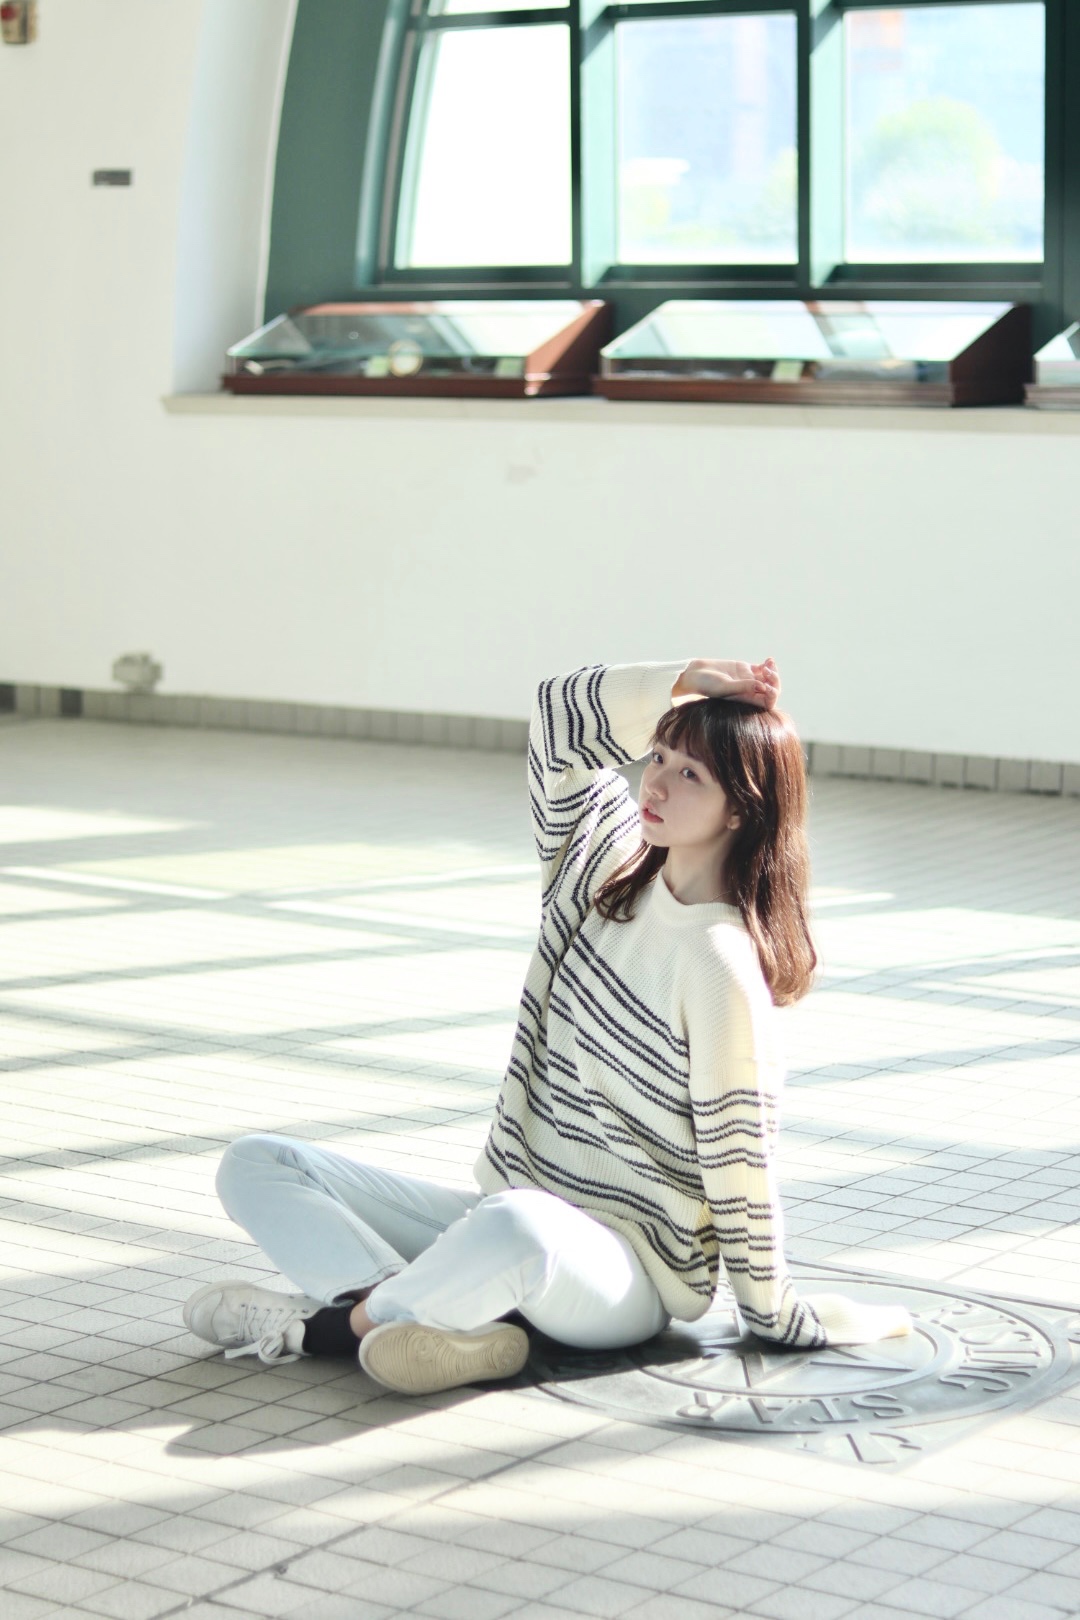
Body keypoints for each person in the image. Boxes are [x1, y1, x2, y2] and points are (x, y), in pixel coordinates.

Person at [183, 657, 910, 1395]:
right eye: (659, 756)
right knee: (256, 1163)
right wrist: (683, 679)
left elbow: (739, 1159)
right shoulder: (601, 873)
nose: (655, 783)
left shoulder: (720, 963)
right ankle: (438, 1319)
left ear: (739, 811)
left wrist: (774, 1310)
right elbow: (558, 721)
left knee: (516, 1225)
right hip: (506, 1213)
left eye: (691, 774)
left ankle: (325, 1330)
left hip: (622, 1276)